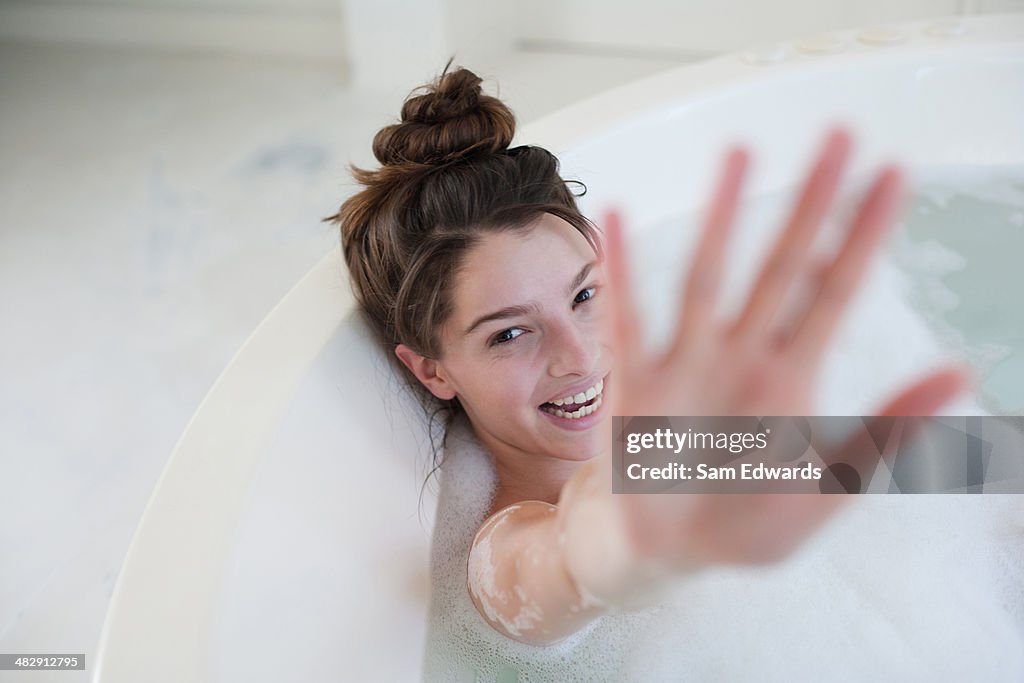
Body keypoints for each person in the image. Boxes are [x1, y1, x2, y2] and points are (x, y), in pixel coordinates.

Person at [325, 61, 1018, 679]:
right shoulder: (503, 551)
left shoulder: (666, 445)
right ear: (432, 370)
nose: (580, 354)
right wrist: (649, 536)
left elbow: (970, 467)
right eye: (509, 333)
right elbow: (572, 562)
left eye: (585, 295)